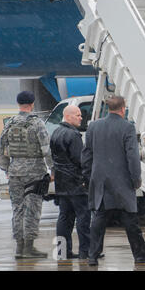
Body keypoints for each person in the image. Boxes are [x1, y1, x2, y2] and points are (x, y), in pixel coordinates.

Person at [81, 95, 145, 266]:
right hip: (122, 181)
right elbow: (132, 156)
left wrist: (88, 175)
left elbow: (86, 154)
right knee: (131, 221)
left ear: (109, 108)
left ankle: (92, 256)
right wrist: (136, 178)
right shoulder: (127, 127)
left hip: (100, 180)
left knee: (99, 220)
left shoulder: (93, 126)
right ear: (123, 108)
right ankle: (140, 255)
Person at [0, 91, 53, 259]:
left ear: (18, 103)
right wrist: (52, 168)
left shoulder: (10, 123)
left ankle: (19, 248)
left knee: (17, 210)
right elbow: (46, 148)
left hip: (15, 173)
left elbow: (0, 149)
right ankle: (29, 247)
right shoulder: (37, 123)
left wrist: (7, 168)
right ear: (32, 104)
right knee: (32, 209)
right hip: (34, 173)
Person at [50, 105, 90, 259]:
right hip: (76, 183)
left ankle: (62, 252)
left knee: (64, 218)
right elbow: (81, 161)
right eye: (78, 115)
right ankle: (85, 251)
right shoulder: (73, 135)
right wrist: (86, 180)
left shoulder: (56, 132)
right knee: (83, 217)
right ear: (68, 116)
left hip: (62, 183)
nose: (81, 117)